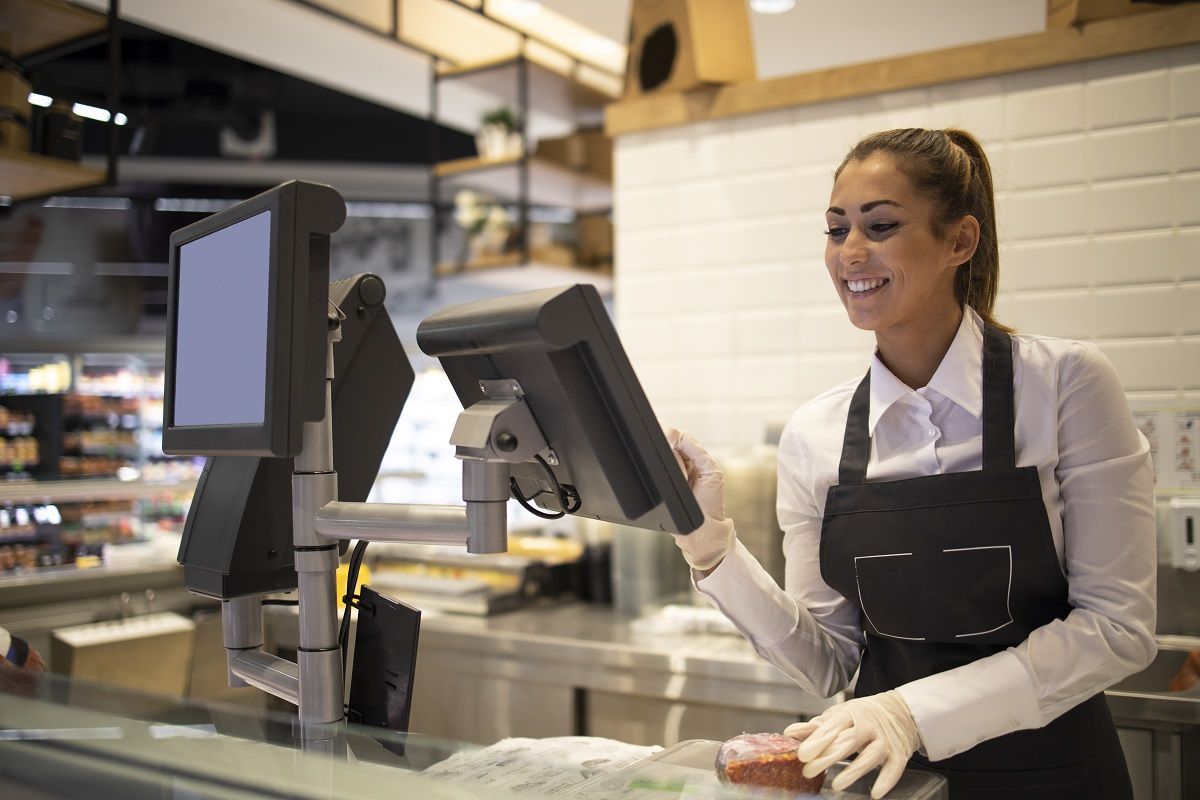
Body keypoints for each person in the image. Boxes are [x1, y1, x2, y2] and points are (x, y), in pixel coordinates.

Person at [665, 128, 1156, 799]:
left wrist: (908, 712)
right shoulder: (815, 434)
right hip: (891, 785)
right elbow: (828, 661)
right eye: (836, 231)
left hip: (1055, 776)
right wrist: (711, 549)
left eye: (882, 225)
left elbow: (1117, 628)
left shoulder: (1066, 385)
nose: (851, 253)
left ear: (959, 241)